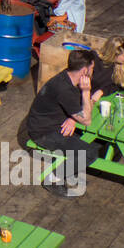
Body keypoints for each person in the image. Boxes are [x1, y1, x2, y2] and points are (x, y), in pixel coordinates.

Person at [26, 47, 105, 197]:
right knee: (89, 153)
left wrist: (72, 118)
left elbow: (77, 109)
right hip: (43, 132)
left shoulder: (69, 77)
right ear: (84, 71)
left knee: (97, 143)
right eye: (92, 68)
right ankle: (52, 179)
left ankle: (72, 169)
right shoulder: (64, 89)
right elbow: (87, 120)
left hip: (56, 123)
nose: (93, 72)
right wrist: (86, 92)